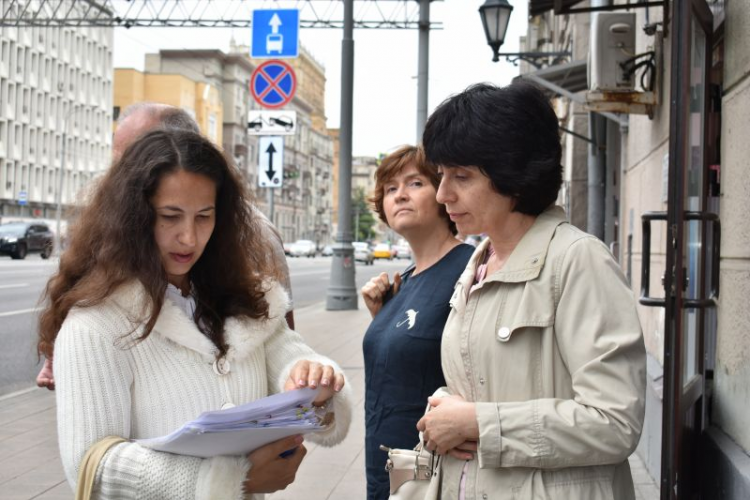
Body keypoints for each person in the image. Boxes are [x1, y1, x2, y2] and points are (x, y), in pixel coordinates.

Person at [37, 129, 352, 499]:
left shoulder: (247, 299)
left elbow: (292, 359)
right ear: (132, 218)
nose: (189, 237)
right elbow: (91, 465)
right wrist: (235, 479)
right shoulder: (95, 323)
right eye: (170, 216)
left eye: (204, 216)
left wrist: (313, 381)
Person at [417, 82, 646, 500]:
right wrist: (446, 409)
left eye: (461, 176)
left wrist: (479, 423)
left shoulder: (577, 259)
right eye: (441, 174)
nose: (442, 193)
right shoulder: (480, 262)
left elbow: (615, 422)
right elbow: (484, 380)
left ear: (514, 175)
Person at [35, 102, 295, 391]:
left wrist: (292, 387)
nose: (120, 177)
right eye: (119, 160)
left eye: (138, 156)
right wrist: (64, 354)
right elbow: (85, 297)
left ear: (179, 149)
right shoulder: (113, 229)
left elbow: (277, 333)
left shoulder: (249, 232)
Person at [360, 145, 474, 500]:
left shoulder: (469, 270)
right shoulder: (404, 281)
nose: (400, 195)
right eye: (390, 189)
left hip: (435, 471)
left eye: (415, 183)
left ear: (442, 194)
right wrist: (383, 316)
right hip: (389, 466)